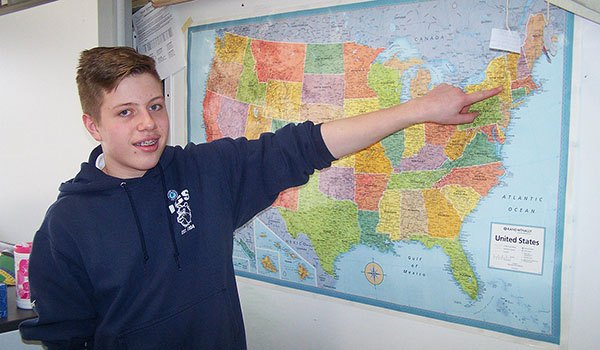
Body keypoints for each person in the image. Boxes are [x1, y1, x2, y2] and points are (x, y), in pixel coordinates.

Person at [19, 46, 501, 349]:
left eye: (155, 106)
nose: (147, 123)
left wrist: (420, 109)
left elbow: (307, 145)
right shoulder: (66, 225)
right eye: (125, 112)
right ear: (93, 125)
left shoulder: (205, 171)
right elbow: (63, 337)